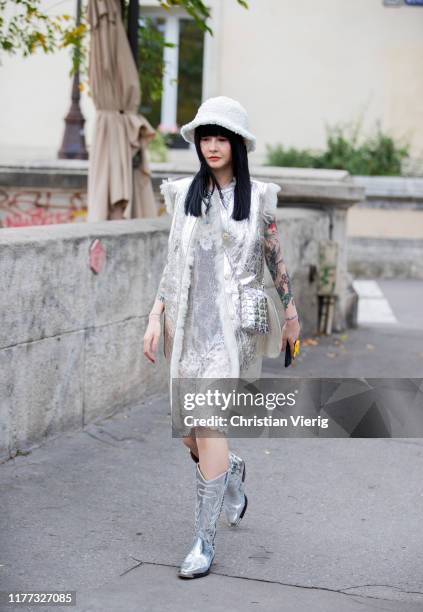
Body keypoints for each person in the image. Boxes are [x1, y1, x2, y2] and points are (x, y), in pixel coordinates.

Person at [143, 96, 300, 579]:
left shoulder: (257, 200)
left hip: (233, 333)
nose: (212, 146)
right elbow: (173, 263)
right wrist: (155, 315)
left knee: (208, 426)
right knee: (190, 433)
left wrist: (291, 312)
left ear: (237, 143)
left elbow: (274, 257)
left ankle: (203, 543)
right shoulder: (185, 196)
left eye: (221, 137)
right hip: (188, 328)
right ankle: (229, 471)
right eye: (205, 138)